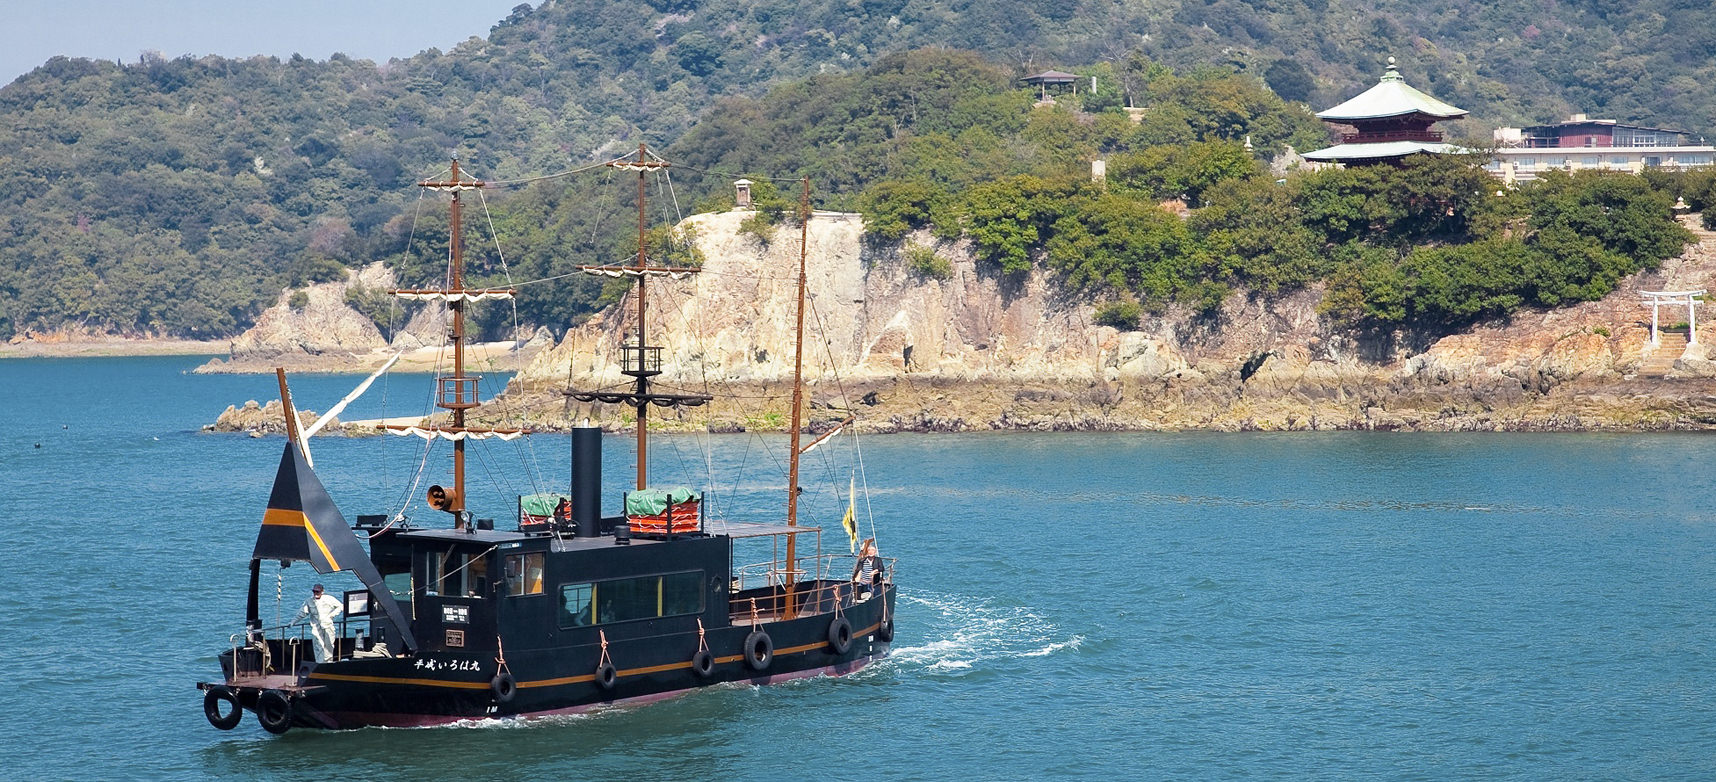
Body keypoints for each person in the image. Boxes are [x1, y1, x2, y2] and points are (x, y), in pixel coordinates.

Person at [293, 583, 344, 663]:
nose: (316, 593)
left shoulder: (329, 599)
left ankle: (328, 664)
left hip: (328, 626)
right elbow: (302, 613)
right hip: (316, 628)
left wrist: (332, 615)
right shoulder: (309, 601)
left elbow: (341, 606)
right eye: (314, 591)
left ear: (322, 592)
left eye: (317, 592)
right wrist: (293, 622)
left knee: (329, 645)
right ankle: (319, 664)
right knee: (318, 646)